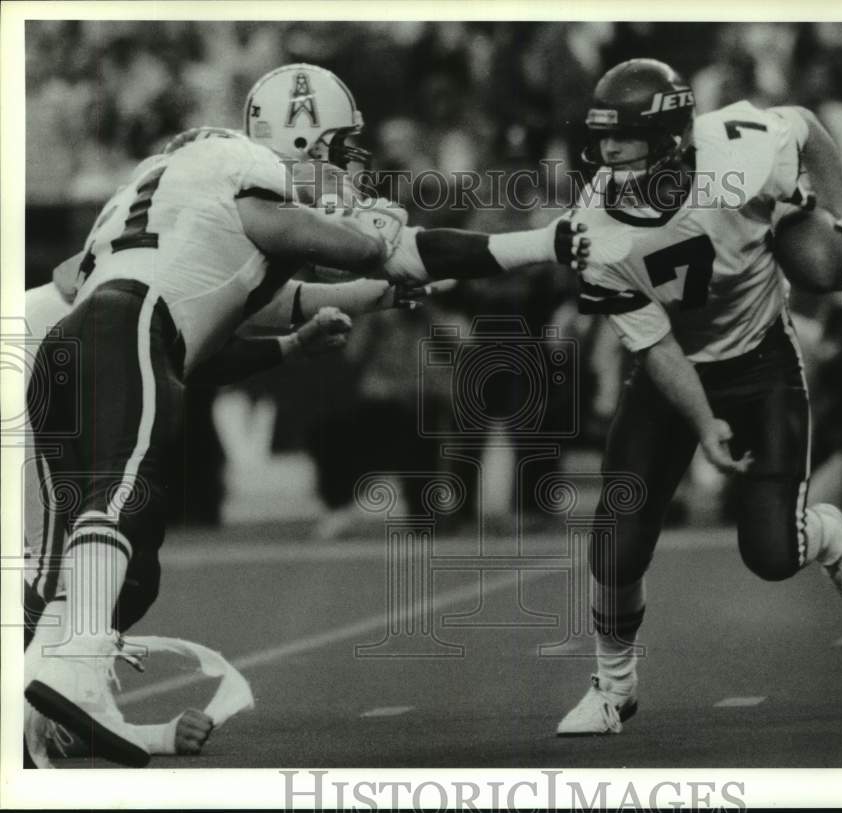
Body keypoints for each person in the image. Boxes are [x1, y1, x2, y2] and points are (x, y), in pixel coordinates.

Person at [23, 62, 590, 767]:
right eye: (342, 148)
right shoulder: (251, 170)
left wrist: (367, 292)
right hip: (106, 330)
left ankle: (35, 709)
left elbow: (251, 303)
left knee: (105, 567)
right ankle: (74, 676)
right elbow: (370, 250)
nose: (352, 167)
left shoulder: (185, 200)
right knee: (118, 502)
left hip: (60, 348)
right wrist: (376, 243)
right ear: (305, 139)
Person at [554, 59, 842, 736]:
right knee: (616, 540)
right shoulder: (598, 224)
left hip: (761, 365)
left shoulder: (744, 145)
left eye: (625, 138)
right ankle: (613, 687)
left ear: (672, 136)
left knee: (769, 554)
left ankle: (826, 536)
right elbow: (655, 348)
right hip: (670, 373)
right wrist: (704, 423)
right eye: (602, 137)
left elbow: (808, 126)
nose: (607, 152)